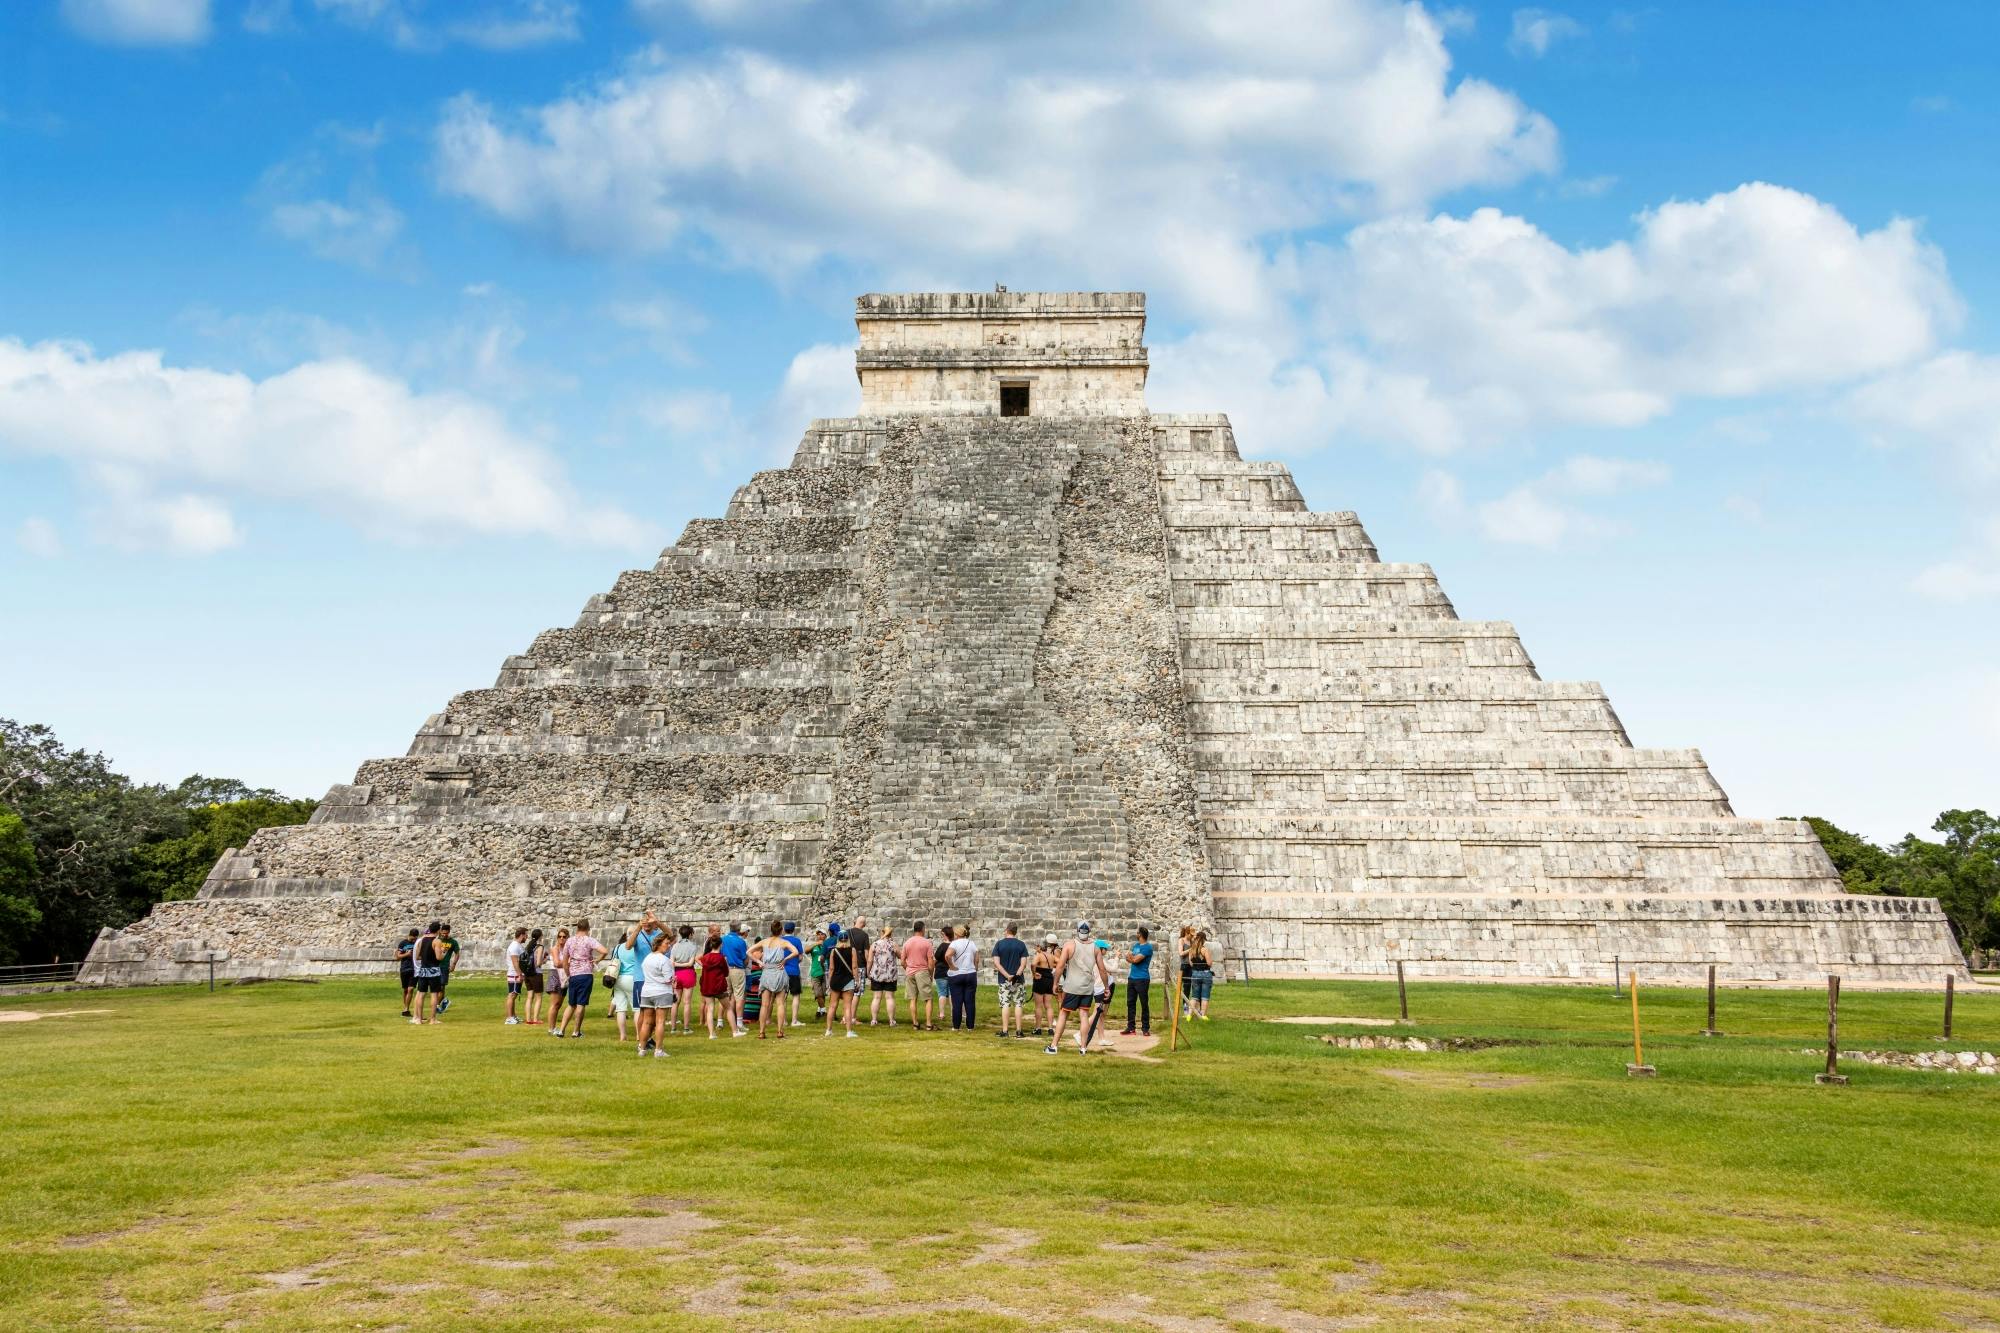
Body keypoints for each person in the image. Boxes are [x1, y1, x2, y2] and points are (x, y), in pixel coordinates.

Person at [1046, 921, 1105, 1055]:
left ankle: (1054, 1046)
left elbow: (1060, 966)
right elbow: (1102, 969)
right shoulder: (1095, 947)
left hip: (1072, 986)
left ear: (1077, 930)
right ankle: (1083, 1047)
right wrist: (1106, 987)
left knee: (1063, 1014)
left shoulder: (1069, 945)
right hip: (1087, 987)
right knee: (1084, 1015)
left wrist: (1055, 983)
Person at [556, 919, 606, 1039]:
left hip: (573, 974)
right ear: (588, 928)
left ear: (577, 928)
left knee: (571, 1004)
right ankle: (576, 1031)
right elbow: (604, 951)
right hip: (586, 974)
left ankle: (561, 1030)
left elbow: (564, 960)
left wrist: (568, 973)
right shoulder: (589, 940)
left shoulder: (569, 941)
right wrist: (598, 959)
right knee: (581, 1003)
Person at [749, 920, 798, 1039]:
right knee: (780, 1004)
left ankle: (761, 1032)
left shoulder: (765, 941)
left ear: (771, 930)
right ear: (781, 930)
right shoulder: (783, 942)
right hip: (778, 971)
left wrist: (759, 962)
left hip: (767, 972)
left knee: (764, 1005)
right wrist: (785, 960)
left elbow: (748, 951)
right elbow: (796, 952)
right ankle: (780, 1031)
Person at [636, 930, 675, 1058]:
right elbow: (669, 979)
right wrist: (675, 979)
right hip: (661, 991)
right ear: (659, 944)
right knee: (660, 1022)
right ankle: (658, 1050)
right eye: (666, 943)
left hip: (647, 991)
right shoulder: (664, 960)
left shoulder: (647, 958)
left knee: (646, 1022)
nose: (668, 945)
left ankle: (642, 1049)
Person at [991, 923, 1029, 1039]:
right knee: (1018, 1004)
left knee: (1005, 1004)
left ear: (1007, 930)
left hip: (1004, 979)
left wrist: (1007, 976)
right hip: (1018, 980)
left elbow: (997, 963)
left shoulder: (999, 944)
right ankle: (1018, 1031)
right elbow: (1023, 963)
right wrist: (1016, 975)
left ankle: (1005, 1030)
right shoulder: (1021, 945)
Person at [1079, 939, 1117, 1052]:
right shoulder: (1099, 960)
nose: (1106, 950)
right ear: (1101, 949)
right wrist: (1117, 958)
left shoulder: (1095, 959)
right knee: (1096, 1014)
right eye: (1105, 948)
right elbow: (1113, 969)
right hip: (1101, 989)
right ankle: (1079, 1034)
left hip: (1098, 989)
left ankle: (1101, 1038)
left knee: (1101, 1015)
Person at [824, 927, 861, 1038]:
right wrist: (857, 980)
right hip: (848, 980)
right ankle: (849, 1031)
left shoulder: (833, 951)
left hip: (835, 980)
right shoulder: (852, 950)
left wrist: (829, 982)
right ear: (847, 939)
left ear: (838, 939)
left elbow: (831, 968)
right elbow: (854, 967)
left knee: (832, 1006)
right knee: (847, 1007)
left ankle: (828, 1030)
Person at [900, 922, 936, 1030]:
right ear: (922, 929)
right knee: (928, 998)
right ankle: (929, 1024)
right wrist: (930, 973)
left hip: (910, 972)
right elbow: (931, 962)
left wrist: (908, 968)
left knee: (913, 998)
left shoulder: (907, 943)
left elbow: (902, 961)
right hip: (922, 971)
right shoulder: (927, 943)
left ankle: (915, 1023)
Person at [609, 927, 642, 1044]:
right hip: (633, 977)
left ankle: (623, 1036)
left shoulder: (618, 947)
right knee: (637, 1008)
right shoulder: (636, 947)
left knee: (620, 1009)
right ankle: (639, 1034)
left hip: (618, 978)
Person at [1120, 926, 1154, 1037]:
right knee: (1130, 1003)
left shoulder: (1147, 947)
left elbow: (1134, 959)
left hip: (1142, 978)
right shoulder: (1136, 945)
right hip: (1132, 977)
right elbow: (1130, 957)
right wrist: (1131, 958)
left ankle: (1145, 1028)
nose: (1136, 934)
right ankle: (1131, 1028)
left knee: (1144, 1003)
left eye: (1137, 932)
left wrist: (1131, 958)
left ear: (1141, 934)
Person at [410, 922, 446, 1025]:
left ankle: (418, 1019)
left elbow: (417, 956)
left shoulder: (422, 940)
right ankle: (433, 1019)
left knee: (421, 993)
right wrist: (443, 952)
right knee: (434, 994)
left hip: (423, 970)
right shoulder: (437, 941)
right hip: (433, 970)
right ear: (438, 930)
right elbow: (439, 957)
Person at [945, 926, 979, 1031]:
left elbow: (947, 956)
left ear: (956, 934)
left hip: (957, 974)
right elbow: (977, 959)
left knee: (957, 1002)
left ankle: (956, 1026)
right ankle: (970, 1026)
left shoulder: (954, 943)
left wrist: (952, 966)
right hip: (970, 974)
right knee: (970, 1002)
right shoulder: (972, 943)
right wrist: (974, 969)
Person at [697, 932, 730, 1039]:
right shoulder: (721, 958)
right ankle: (735, 1030)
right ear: (720, 945)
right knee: (728, 1007)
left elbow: (698, 959)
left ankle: (711, 1033)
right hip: (718, 985)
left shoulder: (705, 957)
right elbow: (726, 973)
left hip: (707, 985)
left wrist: (704, 966)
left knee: (710, 1008)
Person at [669, 924, 700, 1037]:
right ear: (690, 934)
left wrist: (677, 964)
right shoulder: (693, 946)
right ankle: (686, 1028)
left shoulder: (675, 946)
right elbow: (691, 963)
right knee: (687, 1002)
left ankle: (673, 1027)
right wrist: (684, 964)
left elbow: (671, 962)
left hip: (677, 974)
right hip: (688, 973)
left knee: (675, 1002)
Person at [720, 922, 750, 1035]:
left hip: (726, 968)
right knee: (739, 997)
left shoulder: (723, 939)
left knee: (726, 995)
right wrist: (746, 963)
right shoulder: (740, 941)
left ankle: (722, 1020)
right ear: (738, 929)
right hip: (738, 969)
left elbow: (722, 954)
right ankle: (739, 1022)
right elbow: (745, 958)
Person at [866, 930, 899, 1026]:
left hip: (877, 974)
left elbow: (870, 960)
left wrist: (868, 972)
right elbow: (900, 956)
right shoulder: (893, 944)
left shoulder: (875, 944)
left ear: (882, 933)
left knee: (876, 997)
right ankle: (891, 1021)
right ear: (891, 934)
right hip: (890, 974)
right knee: (889, 997)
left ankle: (874, 1020)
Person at [1030, 934, 1058, 1037]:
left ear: (1039, 946)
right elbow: (1060, 962)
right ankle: (1050, 1029)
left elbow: (1033, 964)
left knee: (1038, 1006)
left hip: (1040, 978)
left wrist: (1034, 973)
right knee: (1048, 1005)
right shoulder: (1051, 956)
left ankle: (1038, 1028)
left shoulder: (1039, 955)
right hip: (1049, 978)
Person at [781, 920, 806, 1028]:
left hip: (782, 971)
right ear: (793, 930)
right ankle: (794, 1020)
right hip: (794, 971)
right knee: (795, 995)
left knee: (783, 996)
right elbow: (800, 956)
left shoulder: (780, 940)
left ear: (784, 929)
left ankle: (784, 1020)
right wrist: (795, 961)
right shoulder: (796, 941)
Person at [544, 927, 570, 1034]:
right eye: (560, 936)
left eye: (564, 937)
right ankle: (551, 1028)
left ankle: (553, 1027)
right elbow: (556, 963)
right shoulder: (555, 949)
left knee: (559, 1004)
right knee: (554, 1004)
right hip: (555, 975)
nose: (562, 938)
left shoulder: (568, 949)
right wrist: (570, 962)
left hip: (564, 976)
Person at [1187, 930, 1215, 1021]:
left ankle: (1189, 1015)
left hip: (1195, 974)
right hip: (1206, 974)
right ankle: (1203, 1015)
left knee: (1194, 996)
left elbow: (1191, 964)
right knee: (1205, 996)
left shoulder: (1191, 950)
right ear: (1203, 940)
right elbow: (1209, 963)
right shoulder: (1204, 949)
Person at [521, 928, 547, 1025]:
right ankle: (535, 1019)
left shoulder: (528, 946)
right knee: (538, 997)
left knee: (529, 997)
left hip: (527, 974)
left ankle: (528, 1019)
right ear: (540, 936)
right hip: (536, 974)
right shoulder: (539, 947)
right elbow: (538, 963)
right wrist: (545, 960)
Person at [433, 924, 460, 1016]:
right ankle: (444, 1002)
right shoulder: (436, 940)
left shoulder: (453, 942)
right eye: (443, 933)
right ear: (440, 931)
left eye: (446, 933)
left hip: (444, 966)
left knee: (441, 986)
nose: (444, 935)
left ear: (449, 932)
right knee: (435, 987)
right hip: (435, 965)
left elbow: (457, 953)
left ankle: (436, 1006)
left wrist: (453, 964)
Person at [505, 926, 529, 1026]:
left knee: (514, 995)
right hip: (514, 974)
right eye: (526, 935)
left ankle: (513, 1015)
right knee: (512, 994)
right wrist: (519, 974)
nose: (527, 937)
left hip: (516, 974)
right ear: (522, 935)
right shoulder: (514, 946)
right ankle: (509, 1018)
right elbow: (515, 962)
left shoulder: (518, 945)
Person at [808, 927, 830, 1019]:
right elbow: (806, 950)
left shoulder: (828, 945)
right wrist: (816, 943)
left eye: (822, 934)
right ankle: (824, 1011)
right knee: (818, 993)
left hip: (825, 972)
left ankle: (819, 1011)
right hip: (815, 972)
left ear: (825, 936)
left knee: (823, 993)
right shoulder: (814, 946)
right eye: (818, 934)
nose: (820, 936)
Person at [396, 928, 419, 1017]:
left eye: (415, 938)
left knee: (411, 989)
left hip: (414, 969)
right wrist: (407, 954)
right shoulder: (403, 943)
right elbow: (397, 957)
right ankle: (406, 1008)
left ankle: (406, 1008)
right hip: (404, 969)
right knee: (405, 990)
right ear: (410, 935)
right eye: (413, 938)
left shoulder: (417, 943)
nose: (414, 940)